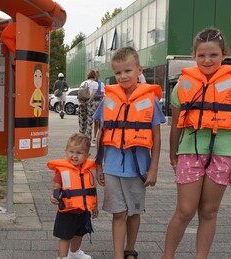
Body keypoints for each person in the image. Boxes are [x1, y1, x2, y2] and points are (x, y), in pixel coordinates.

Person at [162, 28, 231, 259]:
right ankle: (167, 256)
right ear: (194, 56)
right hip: (189, 152)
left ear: (224, 55)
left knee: (209, 211)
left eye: (213, 55)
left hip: (223, 155)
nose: (207, 60)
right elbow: (176, 125)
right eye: (201, 55)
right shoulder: (183, 84)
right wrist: (173, 155)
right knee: (184, 210)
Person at [93, 46, 166, 259]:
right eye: (118, 73)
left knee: (134, 212)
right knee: (119, 213)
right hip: (113, 168)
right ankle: (118, 255)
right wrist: (98, 165)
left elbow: (156, 138)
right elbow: (101, 133)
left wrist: (153, 169)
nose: (123, 76)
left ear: (139, 70)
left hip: (138, 169)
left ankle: (130, 249)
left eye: (128, 71)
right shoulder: (109, 99)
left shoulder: (150, 100)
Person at [48, 133, 98, 259]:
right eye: (71, 152)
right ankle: (63, 257)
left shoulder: (89, 171)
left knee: (79, 234)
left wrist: (95, 207)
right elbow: (56, 186)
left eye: (79, 153)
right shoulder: (63, 170)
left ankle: (74, 252)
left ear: (87, 155)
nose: (74, 156)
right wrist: (53, 196)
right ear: (66, 152)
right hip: (67, 211)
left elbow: (92, 190)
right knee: (65, 236)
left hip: (83, 211)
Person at [78, 70, 99, 142]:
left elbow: (79, 94)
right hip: (90, 103)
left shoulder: (83, 83)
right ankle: (88, 140)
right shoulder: (95, 83)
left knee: (82, 121)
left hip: (82, 103)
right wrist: (89, 101)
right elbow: (93, 94)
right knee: (89, 122)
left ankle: (81, 138)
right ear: (94, 76)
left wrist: (81, 102)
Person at [92, 70, 105, 146]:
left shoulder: (101, 84)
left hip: (98, 103)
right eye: (94, 75)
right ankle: (94, 135)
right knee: (94, 121)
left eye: (96, 75)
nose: (95, 77)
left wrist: (95, 96)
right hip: (91, 103)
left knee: (98, 120)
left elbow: (102, 95)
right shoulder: (91, 83)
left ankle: (97, 135)